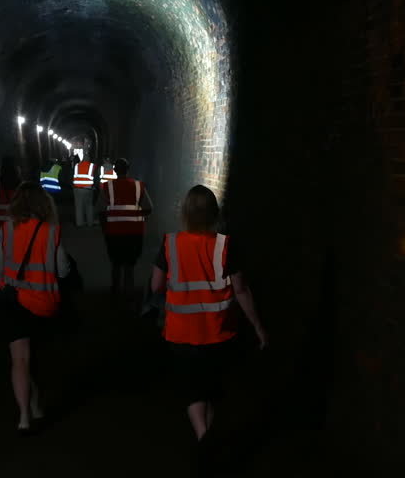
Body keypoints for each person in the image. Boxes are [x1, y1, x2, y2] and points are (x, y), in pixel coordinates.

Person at [150, 185, 267, 443]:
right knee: (210, 391)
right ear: (214, 213)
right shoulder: (225, 246)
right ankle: (209, 441)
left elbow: (156, 286)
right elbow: (241, 290)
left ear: (186, 213)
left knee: (194, 392)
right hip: (218, 334)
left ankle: (204, 439)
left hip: (181, 335)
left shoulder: (171, 243)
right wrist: (258, 326)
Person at [0, 182, 72, 434]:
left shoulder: (7, 231)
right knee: (36, 358)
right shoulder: (51, 232)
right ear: (44, 205)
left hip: (13, 303)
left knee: (19, 359)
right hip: (43, 304)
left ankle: (24, 415)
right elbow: (64, 269)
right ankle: (36, 405)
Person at [96, 158, 152, 299]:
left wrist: (104, 228)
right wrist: (137, 217)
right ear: (128, 170)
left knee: (115, 262)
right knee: (130, 263)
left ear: (114, 170)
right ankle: (129, 292)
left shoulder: (107, 187)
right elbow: (149, 208)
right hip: (135, 232)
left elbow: (100, 210)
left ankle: (115, 291)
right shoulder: (139, 186)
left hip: (113, 232)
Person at [72, 155, 98, 227]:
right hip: (88, 189)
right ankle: (90, 223)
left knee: (78, 207)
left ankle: (79, 223)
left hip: (77, 189)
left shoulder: (77, 165)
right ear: (89, 160)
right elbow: (95, 176)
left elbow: (73, 175)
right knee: (89, 206)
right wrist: (95, 186)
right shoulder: (92, 166)